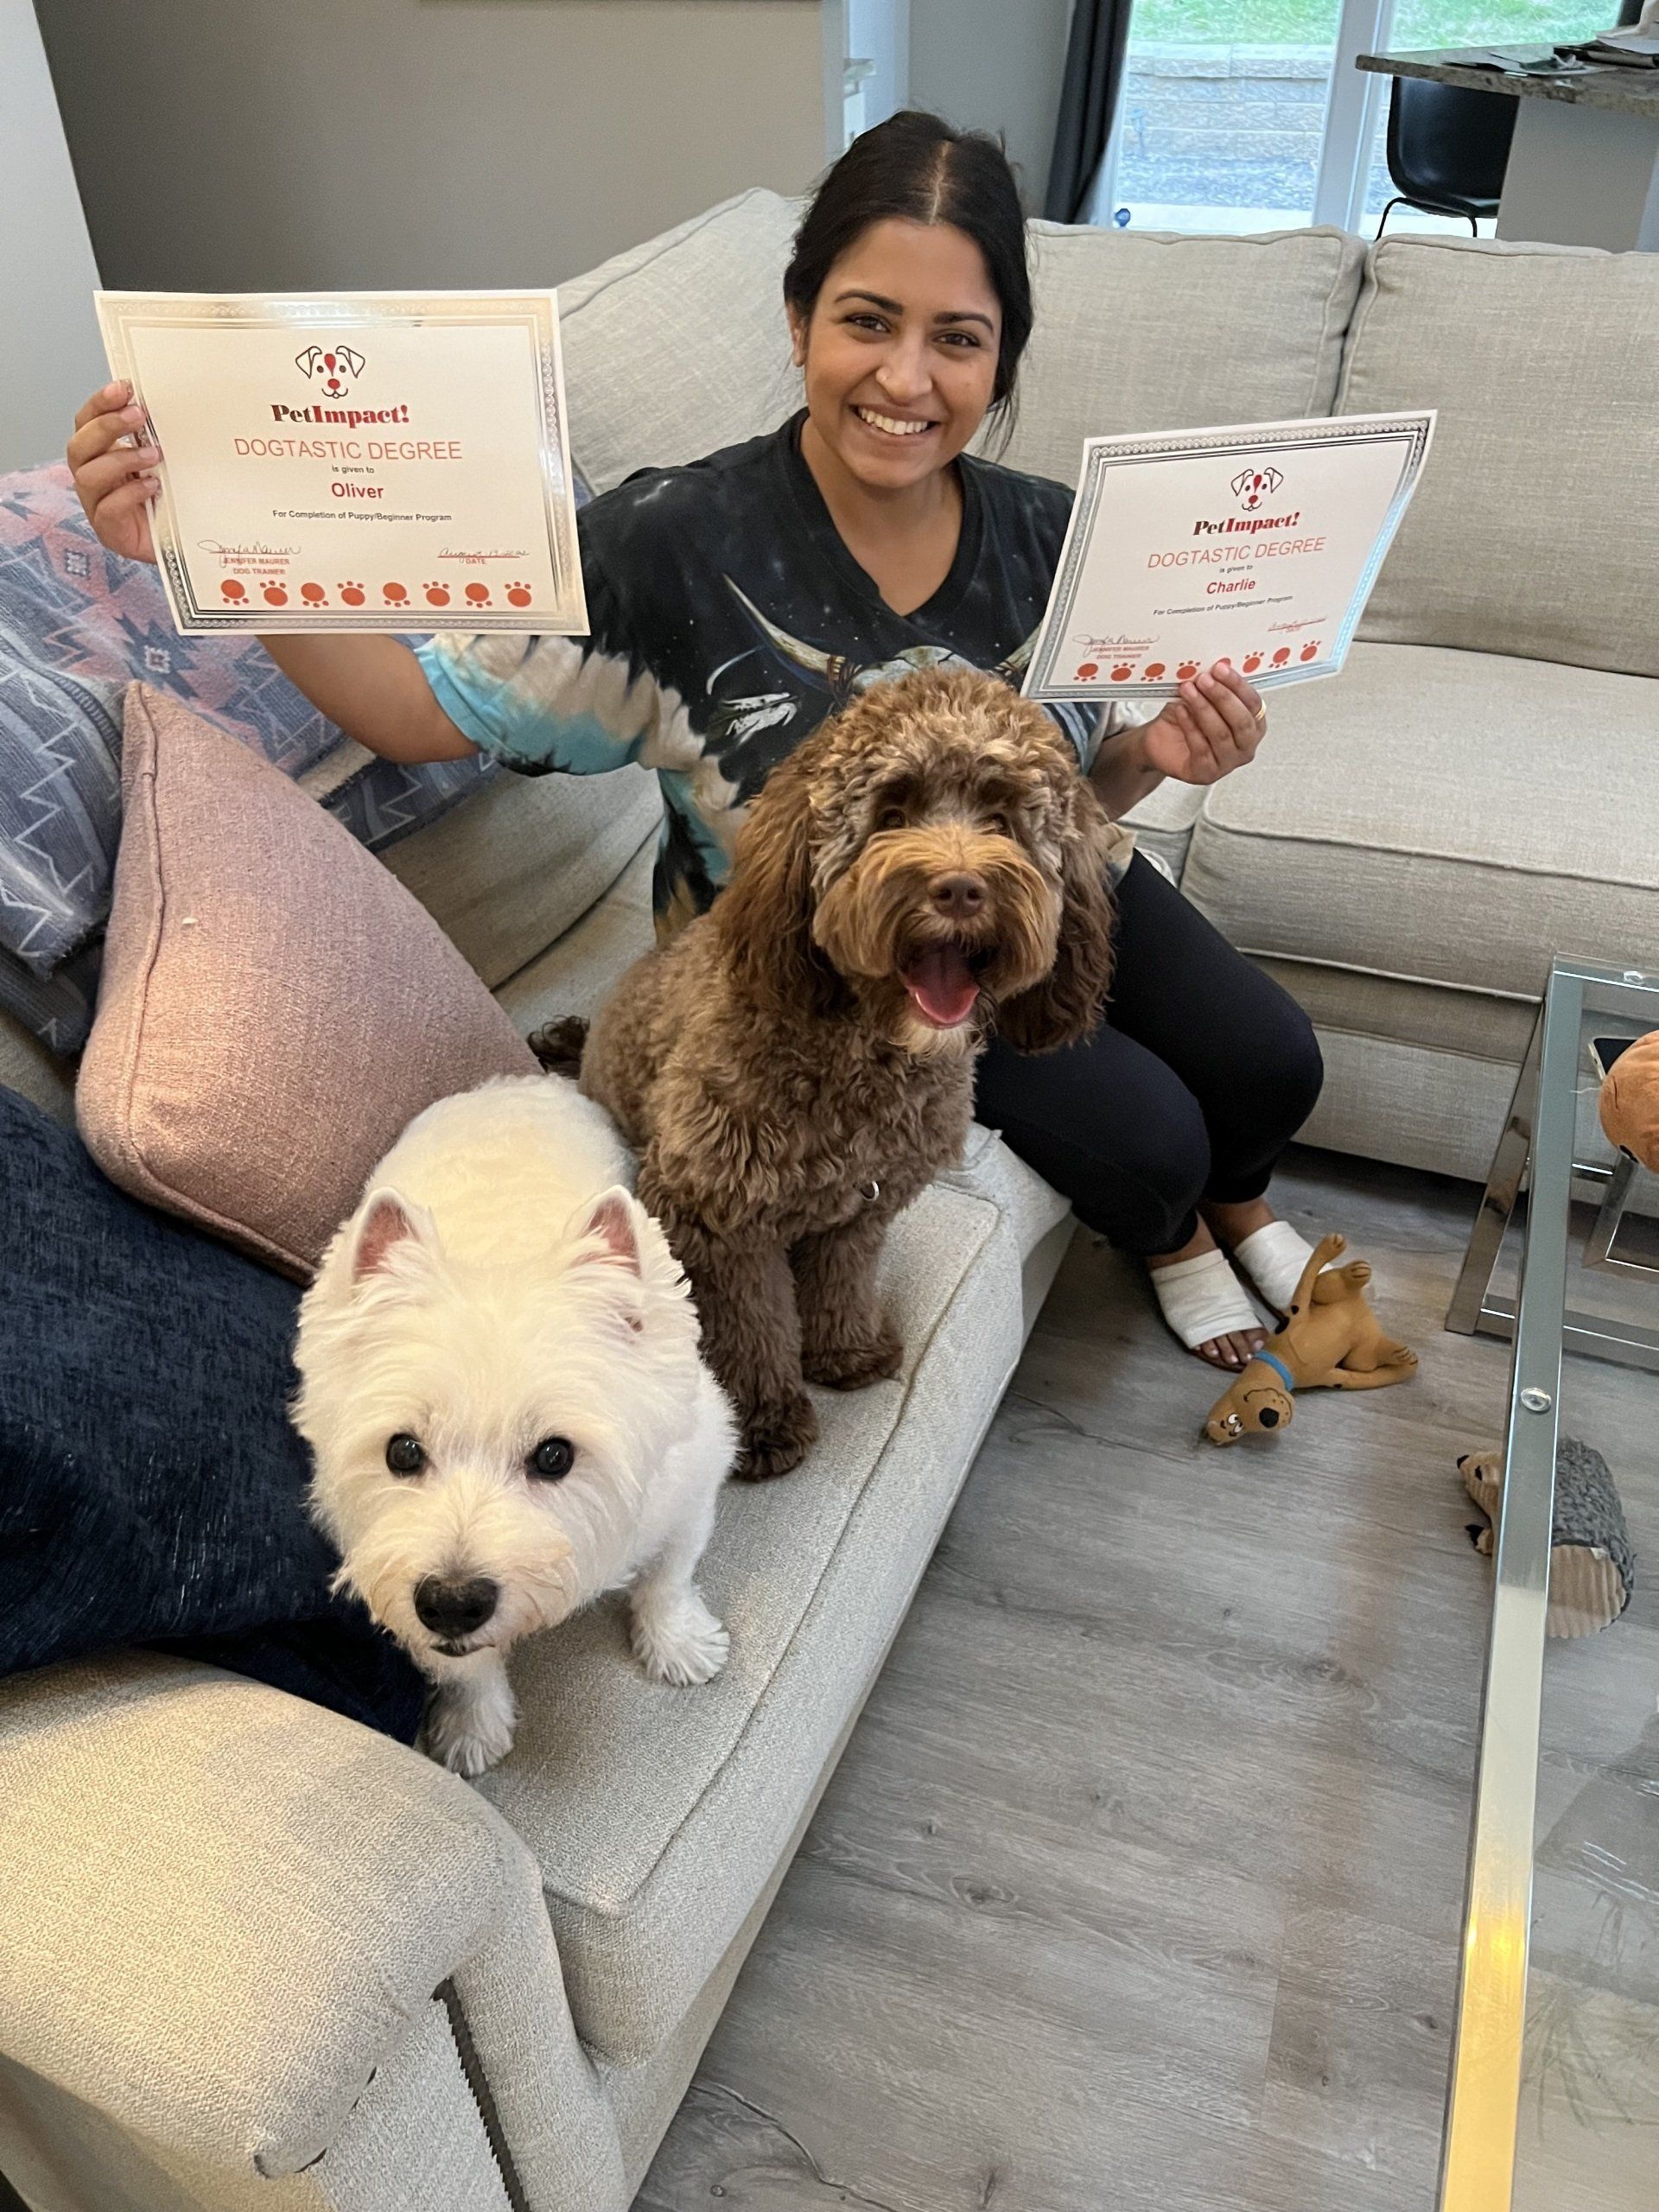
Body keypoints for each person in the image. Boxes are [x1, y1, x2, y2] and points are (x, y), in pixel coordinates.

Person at [67, 111, 1323, 1372]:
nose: (905, 379)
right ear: (797, 322)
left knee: (1272, 1065)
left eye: (958, 339)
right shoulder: (668, 543)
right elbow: (414, 710)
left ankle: (1239, 1199)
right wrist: (214, 546)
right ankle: (1178, 1233)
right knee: (1150, 1142)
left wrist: (1154, 754)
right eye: (867, 320)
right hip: (824, 974)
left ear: (1002, 360)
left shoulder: (1052, 537)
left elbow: (1079, 793)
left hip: (1035, 897)